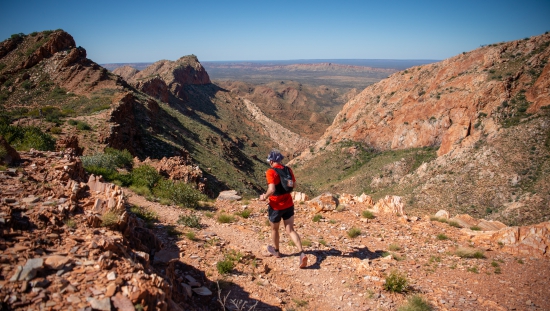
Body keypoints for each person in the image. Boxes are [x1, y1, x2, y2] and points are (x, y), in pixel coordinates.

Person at [259, 149, 307, 268]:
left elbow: (272, 190)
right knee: (290, 230)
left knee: (275, 229)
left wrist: (264, 196)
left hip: (276, 206)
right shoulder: (288, 170)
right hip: (289, 204)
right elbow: (294, 185)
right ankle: (302, 253)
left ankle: (276, 251)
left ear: (271, 161)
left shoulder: (270, 172)